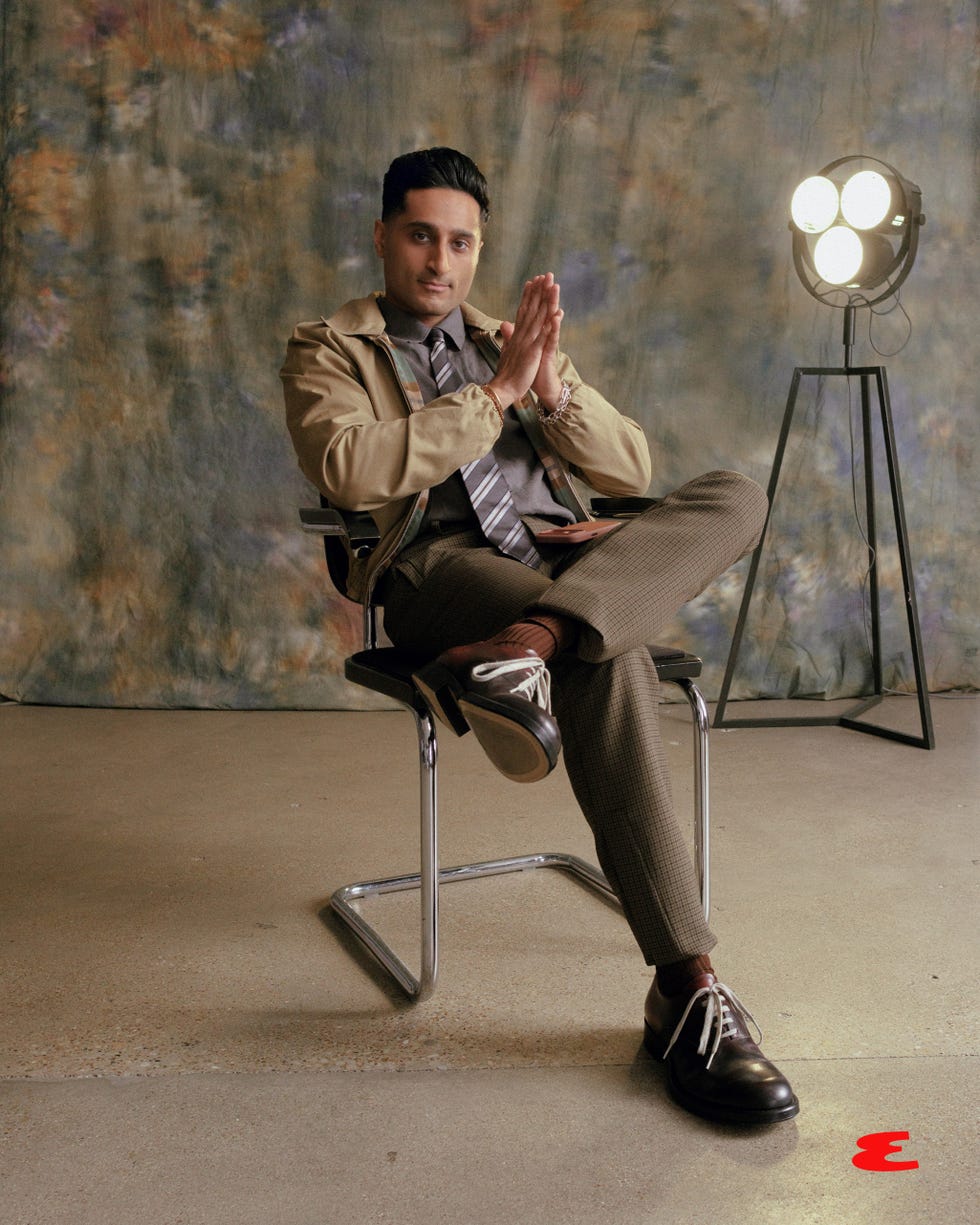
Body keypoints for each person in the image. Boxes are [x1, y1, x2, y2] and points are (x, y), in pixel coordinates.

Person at [281, 146, 799, 1126]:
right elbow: (350, 468)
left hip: (562, 560)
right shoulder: (329, 348)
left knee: (734, 493)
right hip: (434, 567)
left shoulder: (505, 336)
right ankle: (688, 985)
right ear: (386, 237)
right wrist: (495, 396)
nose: (441, 260)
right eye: (422, 236)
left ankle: (528, 642)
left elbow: (631, 460)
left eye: (461, 241)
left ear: (478, 250)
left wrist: (550, 394)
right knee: (610, 650)